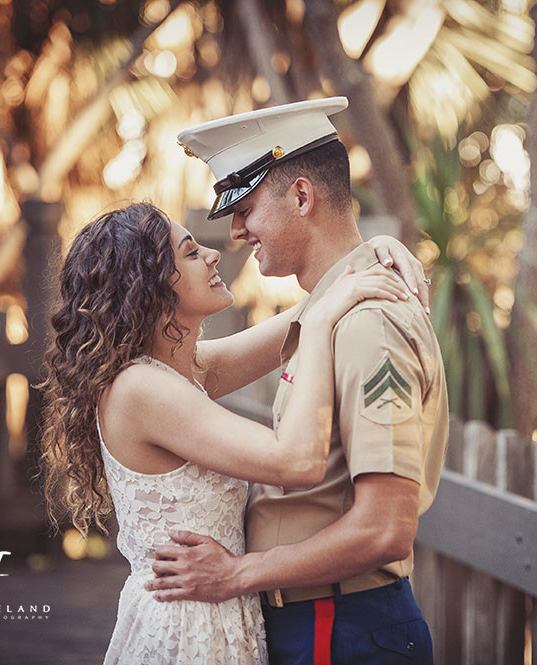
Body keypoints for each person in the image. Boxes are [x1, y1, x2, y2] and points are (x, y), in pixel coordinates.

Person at [38, 201, 428, 665]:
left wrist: (379, 249)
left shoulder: (183, 371)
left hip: (220, 612)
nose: (213, 253)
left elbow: (317, 300)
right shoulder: (141, 389)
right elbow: (298, 461)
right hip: (186, 628)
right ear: (149, 286)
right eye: (189, 252)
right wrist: (322, 327)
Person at [147, 97, 449, 664]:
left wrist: (238, 574)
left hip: (341, 628)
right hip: (316, 622)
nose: (235, 231)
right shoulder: (332, 310)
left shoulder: (368, 324)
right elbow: (194, 372)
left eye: (247, 207)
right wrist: (365, 260)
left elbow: (386, 528)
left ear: (303, 196)